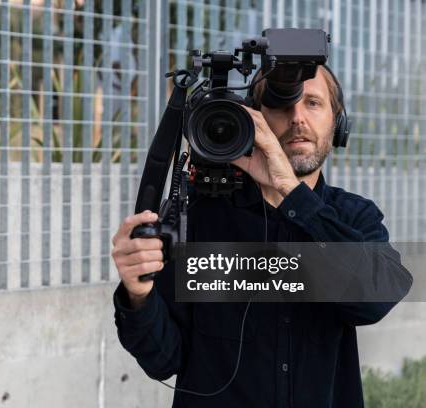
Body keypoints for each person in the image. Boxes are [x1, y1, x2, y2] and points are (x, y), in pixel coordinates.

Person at [111, 66, 413, 407]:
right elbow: (163, 360)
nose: (297, 118)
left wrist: (290, 190)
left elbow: (375, 298)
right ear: (255, 121)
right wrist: (137, 296)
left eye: (313, 102)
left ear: (337, 121)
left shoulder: (354, 217)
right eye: (282, 103)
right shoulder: (199, 217)